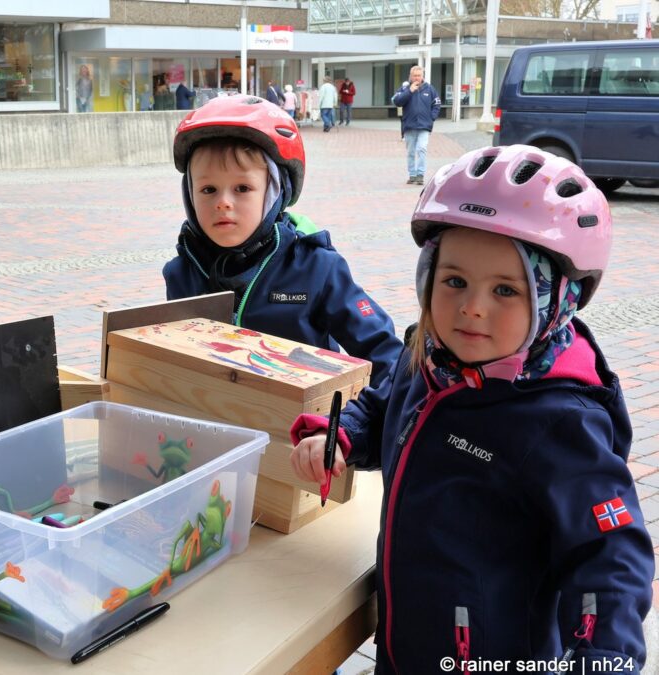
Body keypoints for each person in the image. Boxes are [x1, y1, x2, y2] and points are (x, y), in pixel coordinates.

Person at [290, 145, 652, 671]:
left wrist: (604, 655)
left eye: (506, 289)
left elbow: (610, 554)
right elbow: (382, 406)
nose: (472, 307)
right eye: (454, 280)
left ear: (555, 302)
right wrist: (341, 434)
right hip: (403, 644)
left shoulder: (560, 421)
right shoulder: (428, 357)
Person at [162, 95, 402, 388]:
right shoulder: (182, 272)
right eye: (208, 189)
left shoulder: (316, 267)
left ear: (276, 192)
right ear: (189, 195)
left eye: (242, 188)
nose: (223, 203)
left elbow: (384, 354)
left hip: (304, 426)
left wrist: (359, 421)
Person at [392, 65, 441, 185]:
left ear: (422, 76)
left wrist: (431, 118)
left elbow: (437, 104)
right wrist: (409, 91)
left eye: (419, 75)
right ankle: (412, 175)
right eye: (415, 76)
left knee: (422, 149)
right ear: (410, 76)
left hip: (424, 126)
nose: (417, 78)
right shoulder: (405, 89)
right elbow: (397, 101)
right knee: (410, 152)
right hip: (409, 125)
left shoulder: (429, 89)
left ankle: (420, 174)